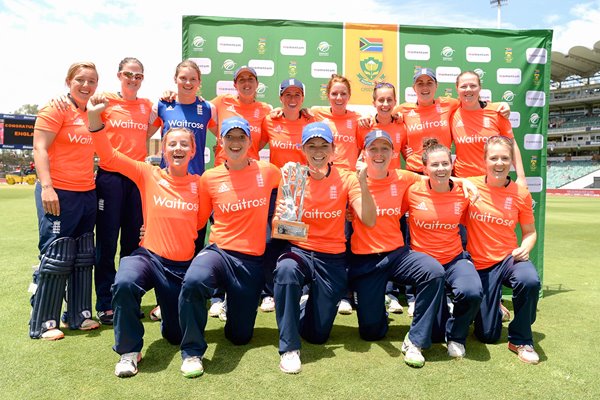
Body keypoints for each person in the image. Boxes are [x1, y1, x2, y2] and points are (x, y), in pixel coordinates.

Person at [88, 93, 204, 377]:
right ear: (164, 149)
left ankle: (170, 319)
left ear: (192, 151)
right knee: (125, 281)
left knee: (174, 336)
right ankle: (128, 351)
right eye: (172, 143)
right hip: (148, 256)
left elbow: (203, 224)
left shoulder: (202, 185)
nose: (178, 148)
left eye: (184, 145)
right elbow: (110, 157)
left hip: (180, 267)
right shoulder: (148, 174)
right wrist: (94, 119)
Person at [178, 116, 281, 378]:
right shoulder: (209, 178)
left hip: (251, 262)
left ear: (250, 142)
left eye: (241, 137)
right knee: (193, 280)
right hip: (219, 252)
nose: (235, 143)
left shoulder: (268, 171)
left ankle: (232, 313)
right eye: (230, 138)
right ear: (221, 143)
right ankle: (191, 352)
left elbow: (298, 187)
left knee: (239, 337)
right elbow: (198, 220)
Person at [272, 122, 377, 374]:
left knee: (318, 335)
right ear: (303, 149)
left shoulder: (347, 177)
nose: (317, 151)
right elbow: (279, 228)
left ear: (333, 149)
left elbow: (369, 219)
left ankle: (303, 305)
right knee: (286, 269)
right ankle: (289, 348)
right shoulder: (294, 176)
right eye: (312, 145)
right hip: (299, 252)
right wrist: (310, 231)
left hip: (332, 256)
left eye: (323, 145)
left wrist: (363, 183)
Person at [349, 130, 446, 368]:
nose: (379, 154)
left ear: (394, 153)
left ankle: (415, 340)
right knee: (371, 333)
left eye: (384, 149)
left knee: (433, 271)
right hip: (366, 260)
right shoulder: (351, 180)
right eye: (373, 149)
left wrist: (467, 184)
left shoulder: (404, 177)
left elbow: (438, 178)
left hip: (396, 254)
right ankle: (377, 308)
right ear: (364, 153)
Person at [29, 61, 101, 341]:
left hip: (86, 192)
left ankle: (78, 315)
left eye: (92, 81)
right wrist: (47, 187)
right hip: (58, 191)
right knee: (56, 254)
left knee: (82, 254)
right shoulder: (55, 108)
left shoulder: (92, 112)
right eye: (80, 80)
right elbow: (40, 147)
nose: (86, 85)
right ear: (69, 81)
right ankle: (44, 320)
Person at [465, 135, 541, 364]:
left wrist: (525, 247)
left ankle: (521, 338)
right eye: (494, 158)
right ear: (484, 160)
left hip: (508, 259)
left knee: (529, 279)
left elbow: (530, 232)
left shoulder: (521, 194)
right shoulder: (469, 186)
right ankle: (494, 307)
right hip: (479, 266)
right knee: (487, 335)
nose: (499, 163)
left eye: (504, 158)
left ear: (511, 162)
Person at [93, 57, 157, 325]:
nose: (133, 79)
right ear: (119, 75)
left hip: (137, 180)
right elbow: (87, 117)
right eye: (129, 74)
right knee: (107, 242)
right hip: (109, 178)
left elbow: (152, 128)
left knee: (132, 243)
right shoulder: (104, 99)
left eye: (138, 76)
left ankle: (128, 299)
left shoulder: (147, 106)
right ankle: (105, 304)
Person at [406, 139, 483, 359]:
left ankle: (457, 336)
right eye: (435, 165)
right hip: (426, 267)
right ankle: (437, 326)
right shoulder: (412, 191)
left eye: (445, 164)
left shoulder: (464, 192)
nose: (441, 169)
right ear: (424, 168)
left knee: (472, 292)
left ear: (451, 165)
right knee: (435, 333)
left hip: (454, 259)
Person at [259, 78, 312, 313]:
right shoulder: (270, 120)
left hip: (302, 190)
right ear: (280, 98)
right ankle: (269, 292)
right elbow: (254, 146)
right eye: (287, 95)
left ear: (302, 98)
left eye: (297, 94)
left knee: (298, 240)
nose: (292, 99)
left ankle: (300, 289)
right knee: (271, 240)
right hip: (275, 189)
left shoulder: (312, 121)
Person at [451, 71, 526, 186]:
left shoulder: (496, 111)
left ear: (480, 88)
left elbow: (511, 143)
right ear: (457, 89)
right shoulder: (451, 114)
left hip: (492, 180)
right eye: (463, 86)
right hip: (464, 182)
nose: (468, 89)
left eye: (473, 85)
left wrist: (521, 177)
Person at [209, 66, 272, 165]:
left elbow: (258, 145)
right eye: (242, 80)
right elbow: (199, 108)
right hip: (223, 167)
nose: (246, 83)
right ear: (235, 85)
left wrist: (304, 111)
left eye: (250, 79)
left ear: (257, 84)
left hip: (250, 169)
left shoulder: (265, 110)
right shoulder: (222, 101)